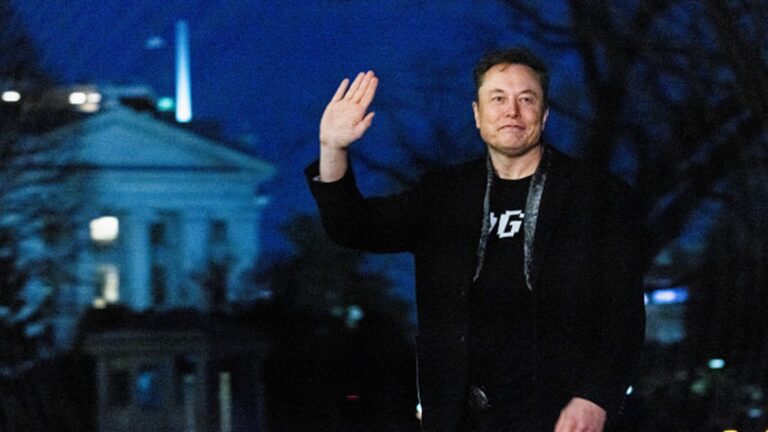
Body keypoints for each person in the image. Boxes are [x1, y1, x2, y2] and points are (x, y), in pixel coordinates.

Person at [305, 47, 645, 432]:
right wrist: (333, 148)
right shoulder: (443, 195)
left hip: (559, 416)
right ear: (477, 116)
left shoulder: (599, 197)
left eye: (526, 99)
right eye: (497, 98)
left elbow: (625, 314)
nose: (511, 111)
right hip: (459, 417)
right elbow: (352, 226)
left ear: (544, 115)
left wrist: (596, 398)